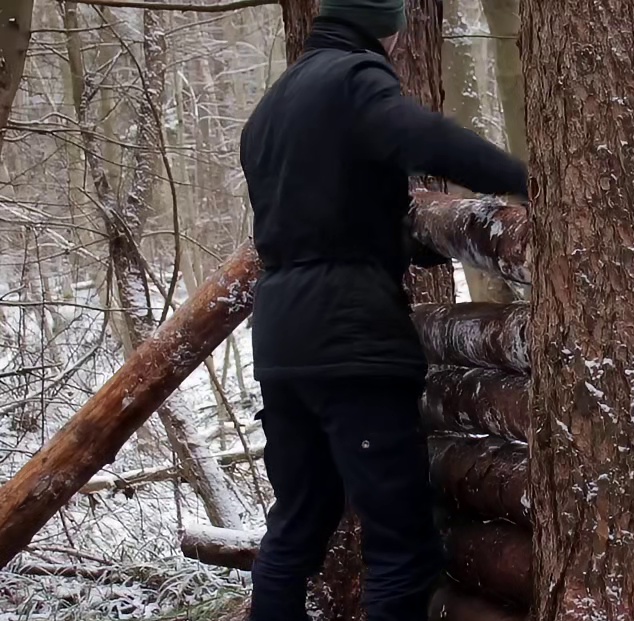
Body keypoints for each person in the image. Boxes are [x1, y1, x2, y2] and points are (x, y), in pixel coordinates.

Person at [237, 0, 528, 618]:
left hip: (283, 340)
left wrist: (393, 243)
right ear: (386, 27)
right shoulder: (353, 78)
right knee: (402, 548)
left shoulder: (272, 106)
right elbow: (423, 138)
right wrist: (527, 177)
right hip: (351, 341)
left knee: (297, 525)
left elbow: (314, 214)